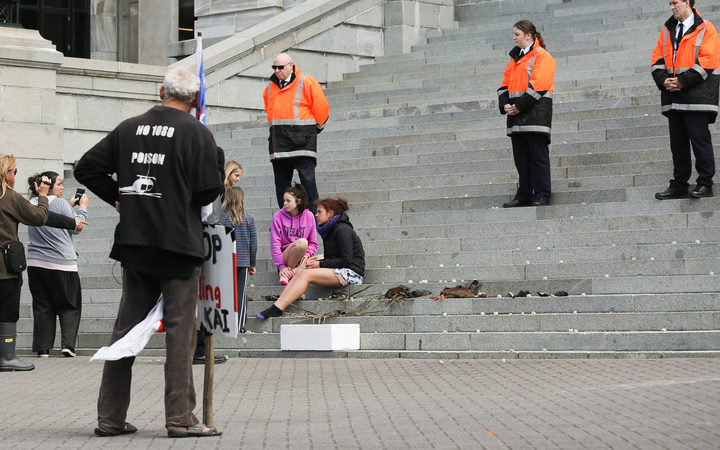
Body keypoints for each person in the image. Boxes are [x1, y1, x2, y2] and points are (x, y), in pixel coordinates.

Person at [74, 66, 224, 438]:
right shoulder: (197, 132)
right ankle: (180, 418)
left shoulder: (129, 127)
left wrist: (117, 197)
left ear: (161, 92)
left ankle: (110, 418)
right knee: (180, 331)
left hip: (136, 243)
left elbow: (85, 168)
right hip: (178, 245)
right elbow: (207, 193)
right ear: (196, 100)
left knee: (125, 330)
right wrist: (215, 159)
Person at [652, 0, 718, 200]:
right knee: (678, 144)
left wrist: (681, 81)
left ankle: (705, 183)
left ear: (688, 2)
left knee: (700, 141)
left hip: (697, 96)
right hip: (674, 96)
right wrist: (665, 81)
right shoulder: (666, 32)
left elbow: (708, 61)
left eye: (675, 2)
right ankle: (679, 184)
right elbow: (656, 62)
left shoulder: (706, 28)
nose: (672, 7)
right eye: (670, 3)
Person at [258, 197, 364, 320]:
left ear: (330, 214)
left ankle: (277, 309)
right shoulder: (330, 229)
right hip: (340, 268)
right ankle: (290, 277)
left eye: (319, 212)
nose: (316, 215)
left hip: (351, 273)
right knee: (310, 262)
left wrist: (319, 265)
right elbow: (333, 256)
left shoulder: (342, 229)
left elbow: (346, 260)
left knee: (305, 274)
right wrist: (317, 262)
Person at [27, 171, 89, 358]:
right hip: (62, 264)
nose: (62, 187)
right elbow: (77, 227)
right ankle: (68, 346)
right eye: (59, 184)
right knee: (70, 306)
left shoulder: (31, 204)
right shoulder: (61, 204)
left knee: (42, 307)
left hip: (36, 264)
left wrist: (69, 205)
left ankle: (43, 348)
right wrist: (82, 207)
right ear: (50, 186)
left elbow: (48, 214)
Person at [498, 20, 556, 208]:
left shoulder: (542, 56)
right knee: (521, 159)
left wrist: (518, 106)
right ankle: (523, 194)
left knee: (538, 158)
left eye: (517, 34)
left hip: (535, 115)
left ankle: (541, 194)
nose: (513, 37)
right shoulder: (513, 59)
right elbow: (503, 86)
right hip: (517, 115)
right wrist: (505, 104)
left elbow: (539, 86)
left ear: (528, 35)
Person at [263, 52, 330, 212]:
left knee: (308, 186)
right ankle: (286, 222)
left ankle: (313, 219)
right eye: (274, 67)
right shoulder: (270, 88)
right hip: (279, 148)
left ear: (291, 65)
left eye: (281, 67)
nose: (277, 70)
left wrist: (311, 132)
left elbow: (322, 109)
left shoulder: (306, 82)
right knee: (282, 189)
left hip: (302, 146)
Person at [223, 186, 256, 333]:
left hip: (224, 261)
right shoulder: (248, 219)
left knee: (226, 293)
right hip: (242, 261)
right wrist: (252, 263)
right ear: (241, 199)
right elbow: (253, 243)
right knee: (240, 294)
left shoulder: (220, 218)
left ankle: (225, 324)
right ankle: (240, 326)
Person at [270, 183, 318, 286]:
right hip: (285, 255)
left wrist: (306, 255)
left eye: (288, 201)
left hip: (301, 256)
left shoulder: (309, 216)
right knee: (302, 242)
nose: (285, 203)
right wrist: (281, 267)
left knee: (320, 259)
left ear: (298, 201)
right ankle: (287, 272)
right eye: (284, 201)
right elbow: (275, 245)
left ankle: (288, 275)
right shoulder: (278, 216)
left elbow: (313, 243)